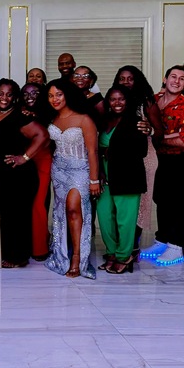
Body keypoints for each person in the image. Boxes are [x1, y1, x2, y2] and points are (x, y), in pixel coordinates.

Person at [0, 79, 48, 268]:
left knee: (17, 217)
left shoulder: (19, 116)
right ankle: (8, 251)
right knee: (7, 215)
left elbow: (43, 135)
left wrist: (24, 157)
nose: (4, 98)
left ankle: (18, 257)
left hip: (18, 176)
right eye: (0, 94)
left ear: (15, 97)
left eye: (9, 94)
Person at [44, 78, 100, 279]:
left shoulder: (84, 119)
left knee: (74, 209)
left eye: (58, 94)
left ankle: (77, 257)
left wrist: (94, 180)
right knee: (60, 213)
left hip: (80, 170)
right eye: (50, 96)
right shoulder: (51, 119)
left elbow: (93, 152)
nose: (54, 99)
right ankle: (61, 255)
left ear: (67, 95)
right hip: (58, 170)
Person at [144, 66, 184, 266]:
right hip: (159, 159)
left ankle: (176, 245)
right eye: (173, 77)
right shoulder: (154, 100)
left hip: (179, 160)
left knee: (178, 203)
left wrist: (158, 136)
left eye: (181, 79)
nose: (176, 81)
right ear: (165, 79)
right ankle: (162, 240)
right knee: (162, 199)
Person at [96, 86, 146, 274]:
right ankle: (111, 253)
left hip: (127, 176)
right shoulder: (103, 120)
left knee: (125, 220)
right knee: (105, 218)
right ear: (108, 102)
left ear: (128, 101)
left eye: (121, 99)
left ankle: (124, 256)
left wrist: (112, 151)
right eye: (113, 99)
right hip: (104, 176)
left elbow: (142, 151)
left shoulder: (137, 122)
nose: (117, 103)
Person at [114, 65, 164, 252]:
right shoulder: (115, 101)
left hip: (145, 158)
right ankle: (122, 244)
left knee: (140, 202)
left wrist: (149, 130)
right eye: (122, 78)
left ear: (137, 81)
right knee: (122, 201)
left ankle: (132, 245)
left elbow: (160, 132)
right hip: (120, 158)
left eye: (130, 78)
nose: (126, 82)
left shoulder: (147, 103)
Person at [20, 82, 53, 261]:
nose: (30, 96)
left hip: (42, 160)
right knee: (26, 204)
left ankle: (40, 249)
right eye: (26, 93)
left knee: (38, 203)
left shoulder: (49, 112)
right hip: (25, 160)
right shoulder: (19, 113)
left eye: (34, 93)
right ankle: (29, 244)